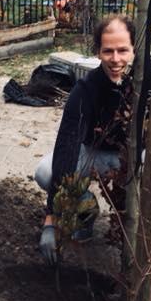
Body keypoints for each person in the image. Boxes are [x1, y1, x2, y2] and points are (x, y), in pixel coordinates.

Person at [36, 15, 134, 265]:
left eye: (123, 50)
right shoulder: (86, 90)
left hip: (134, 160)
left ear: (134, 49)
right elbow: (67, 147)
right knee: (46, 172)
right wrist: (52, 218)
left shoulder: (146, 85)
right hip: (94, 154)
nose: (115, 59)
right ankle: (86, 210)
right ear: (97, 52)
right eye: (107, 51)